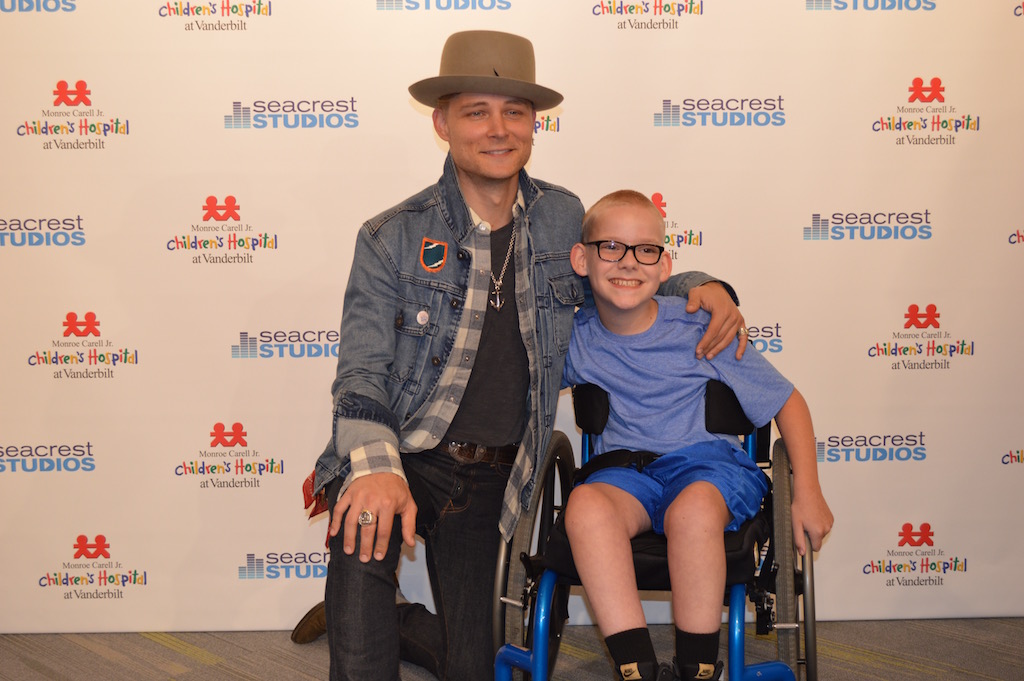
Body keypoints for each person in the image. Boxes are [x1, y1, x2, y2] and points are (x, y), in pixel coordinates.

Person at [307, 32, 748, 681]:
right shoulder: (390, 237)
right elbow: (362, 370)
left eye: (514, 111)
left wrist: (699, 286)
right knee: (362, 509)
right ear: (442, 121)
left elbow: (618, 267)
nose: (497, 128)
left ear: (533, 125)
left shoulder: (560, 216)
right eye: (476, 110)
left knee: (474, 664)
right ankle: (370, 629)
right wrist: (373, 466)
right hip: (404, 453)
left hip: (495, 477)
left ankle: (409, 624)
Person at [561, 190, 834, 681]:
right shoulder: (575, 337)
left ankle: (697, 669)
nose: (628, 262)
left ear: (665, 266)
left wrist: (808, 494)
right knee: (583, 506)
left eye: (645, 250)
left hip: (710, 467)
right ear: (582, 258)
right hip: (628, 474)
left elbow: (787, 402)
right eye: (611, 247)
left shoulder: (702, 328)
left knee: (691, 512)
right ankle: (636, 669)